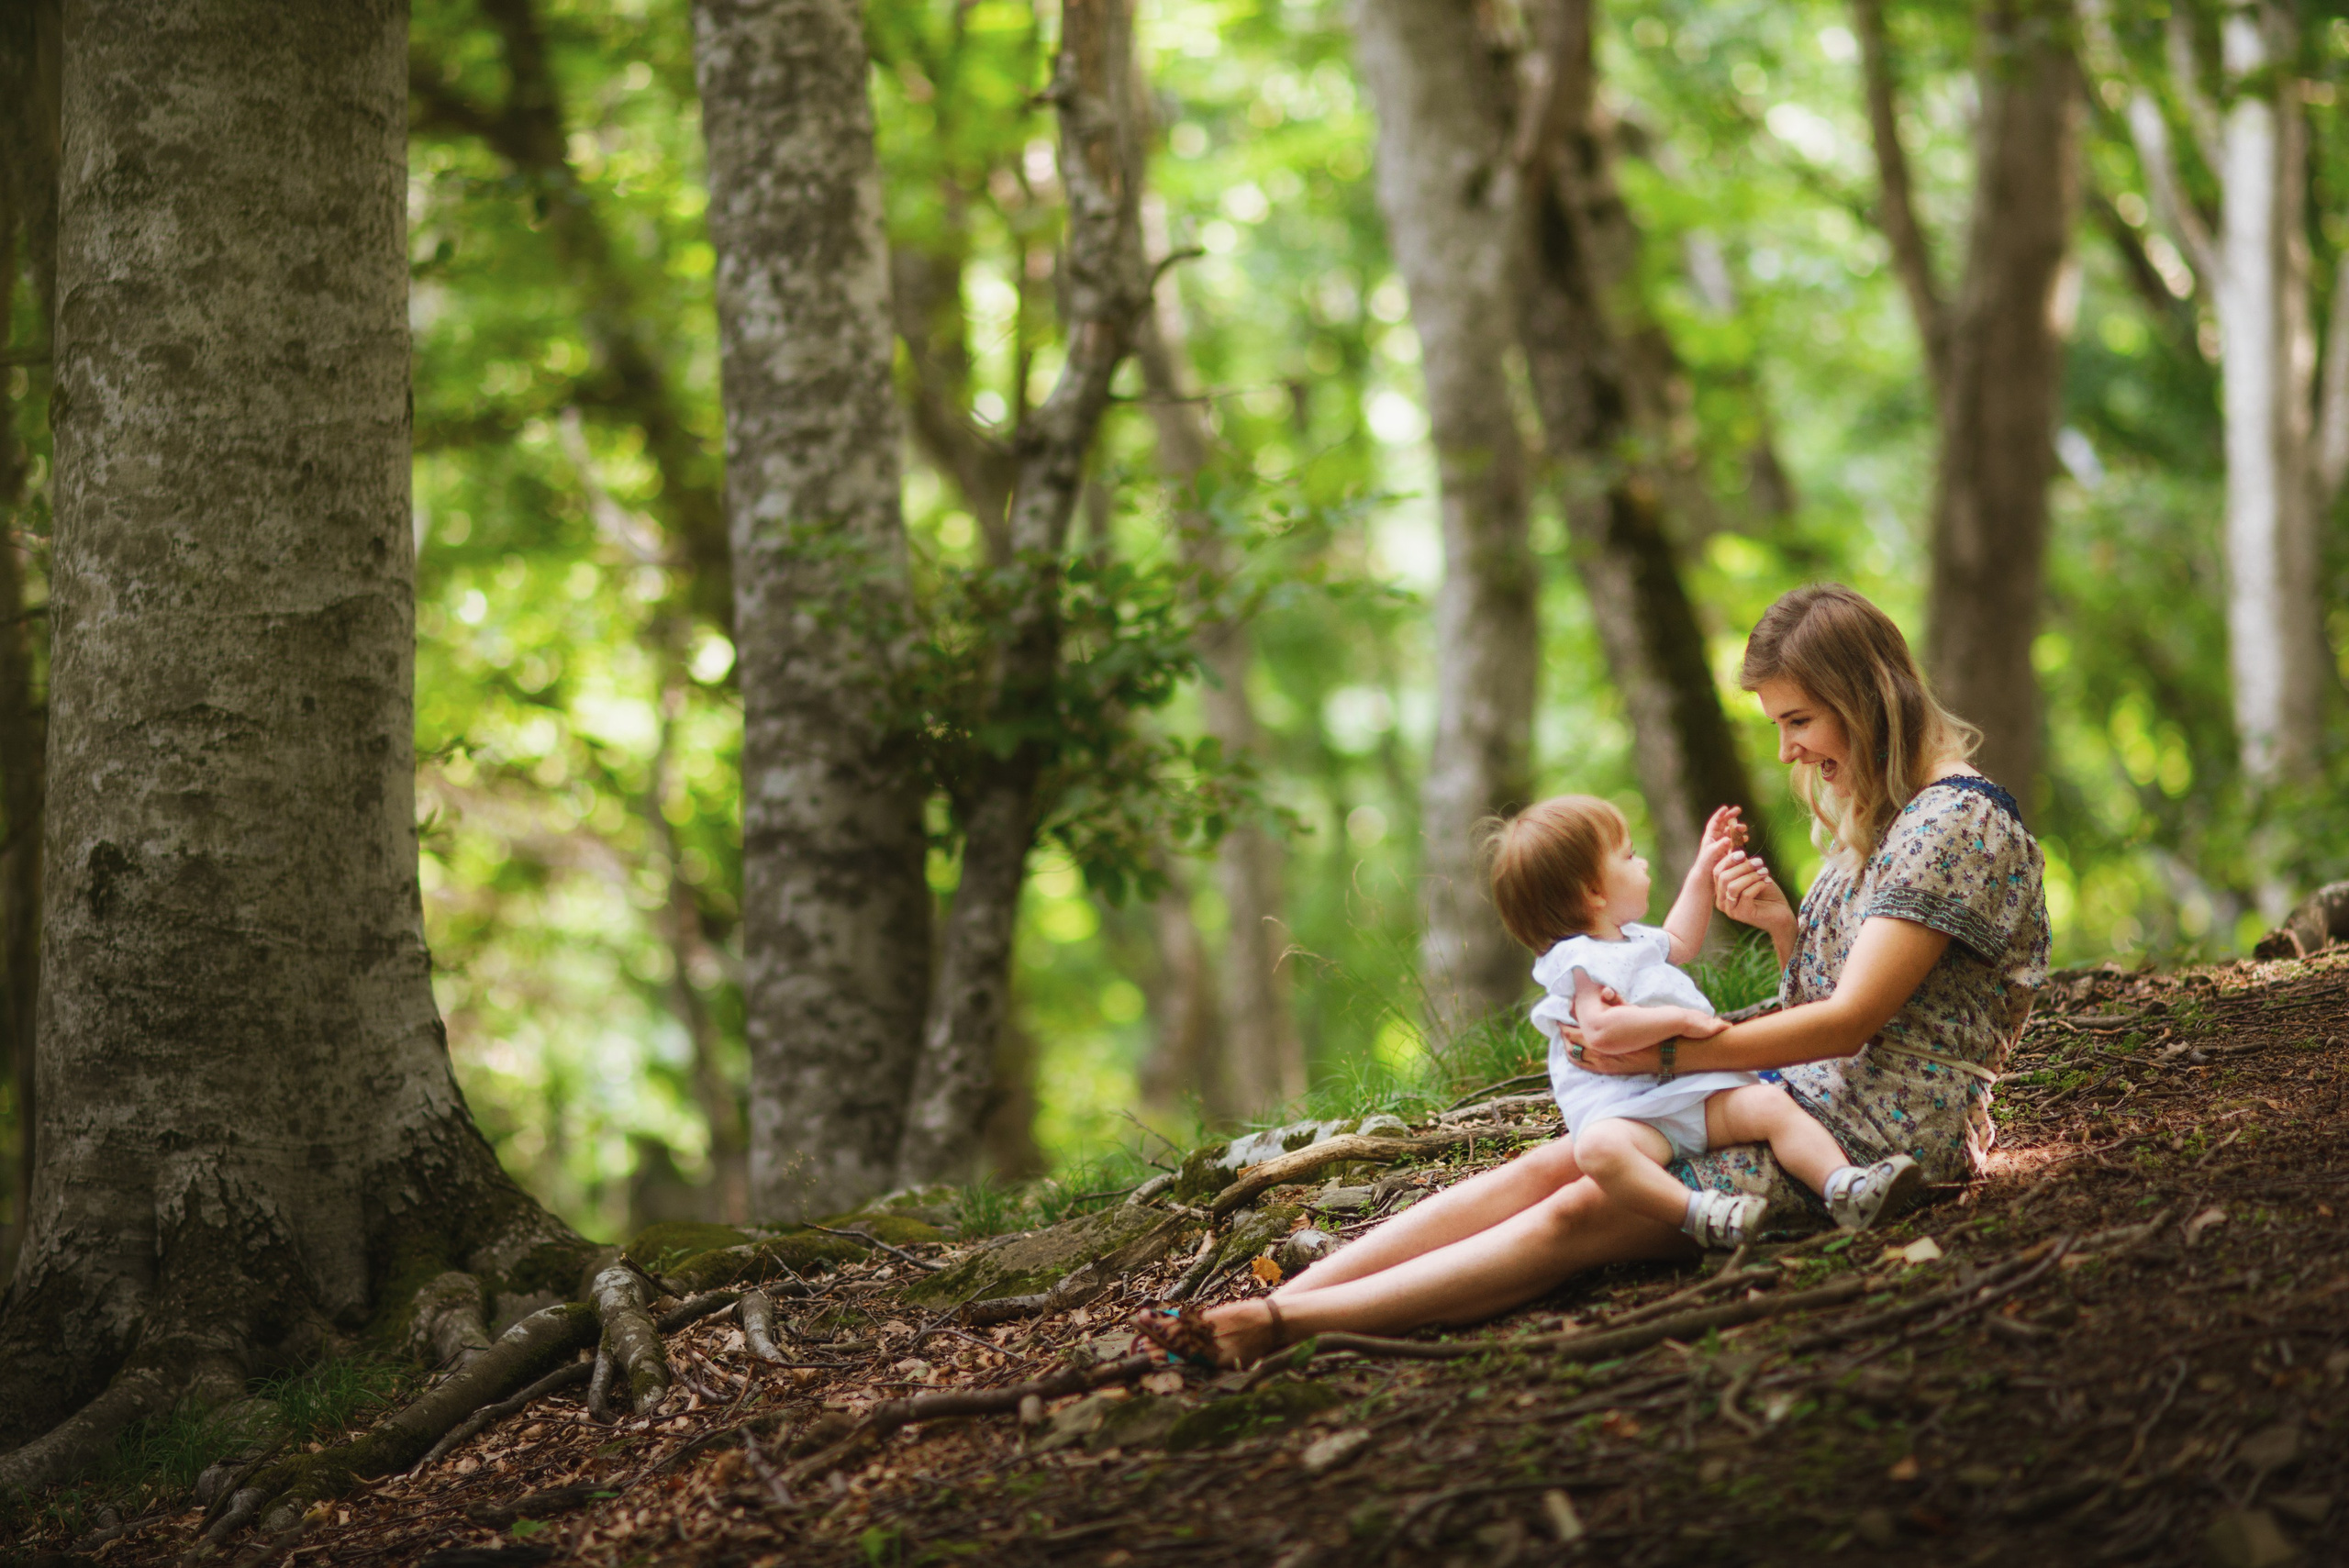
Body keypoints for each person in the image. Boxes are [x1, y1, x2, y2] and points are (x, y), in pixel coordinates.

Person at [1131, 584, 2048, 1369]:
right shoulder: (1887, 822)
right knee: (1554, 1158)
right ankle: (1266, 1303)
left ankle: (1278, 1323)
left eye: (1798, 721)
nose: (1787, 752)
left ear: (1865, 696)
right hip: (1803, 1097)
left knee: (1579, 1204)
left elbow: (1849, 1024)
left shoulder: (1950, 827)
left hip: (1875, 1136)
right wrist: (1776, 931)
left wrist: (1665, 1057)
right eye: (1778, 725)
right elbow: (1823, 1009)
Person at [1490, 794, 1920, 1251]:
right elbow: (1599, 1031)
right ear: (1592, 893)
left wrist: (1702, 869)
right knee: (1597, 1151)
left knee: (1771, 1107)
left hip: (1694, 1094)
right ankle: (1702, 1215)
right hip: (1634, 1116)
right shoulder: (1578, 960)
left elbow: (1679, 941)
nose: (1643, 863)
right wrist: (1679, 1019)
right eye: (1629, 856)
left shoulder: (1629, 939)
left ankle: (1843, 1186)